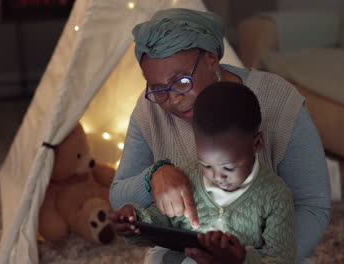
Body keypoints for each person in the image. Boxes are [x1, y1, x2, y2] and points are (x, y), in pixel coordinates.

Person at [109, 8, 331, 261]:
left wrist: (247, 259)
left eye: (181, 81)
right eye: (158, 89)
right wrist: (154, 175)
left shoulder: (277, 100)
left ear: (211, 60)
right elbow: (118, 197)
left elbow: (313, 207)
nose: (172, 99)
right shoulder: (150, 108)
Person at [111, 82, 296, 264]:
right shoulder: (187, 176)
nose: (217, 177)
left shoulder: (275, 196)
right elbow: (161, 222)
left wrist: (241, 260)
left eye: (229, 168)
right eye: (206, 165)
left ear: (256, 143)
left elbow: (281, 258)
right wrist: (136, 221)